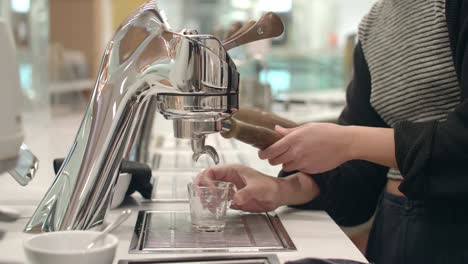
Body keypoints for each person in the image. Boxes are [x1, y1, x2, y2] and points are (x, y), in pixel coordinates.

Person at [197, 1, 468, 263]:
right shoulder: (374, 23)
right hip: (394, 225)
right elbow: (361, 178)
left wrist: (349, 142)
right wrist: (281, 190)